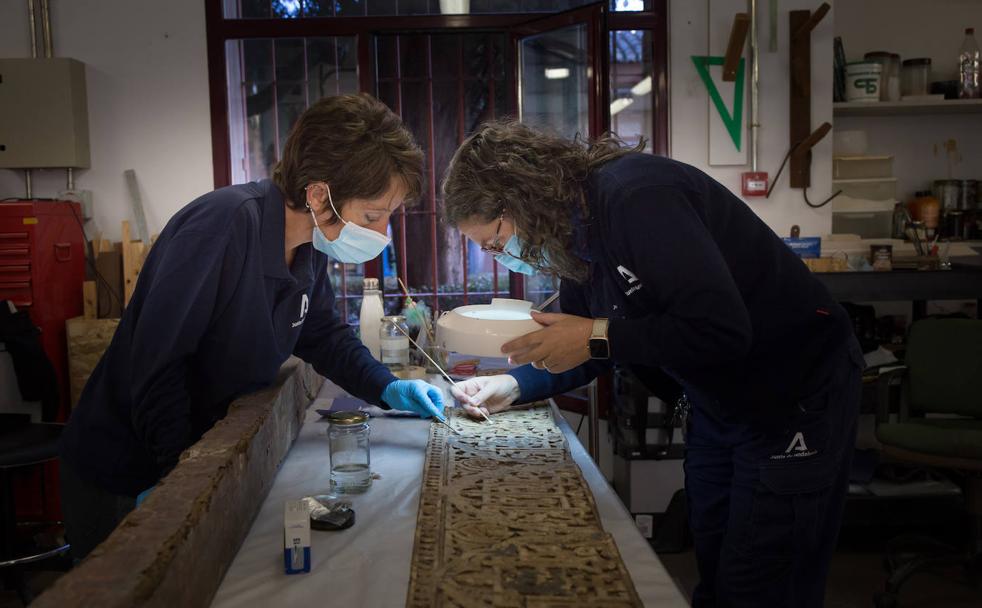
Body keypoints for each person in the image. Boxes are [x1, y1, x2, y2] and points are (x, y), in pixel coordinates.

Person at [443, 120, 863, 608]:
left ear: (522, 197)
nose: (498, 257)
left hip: (793, 390)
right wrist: (512, 385)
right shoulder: (570, 236)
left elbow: (719, 329)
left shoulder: (638, 198)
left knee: (761, 580)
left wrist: (596, 335)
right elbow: (587, 343)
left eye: (495, 242)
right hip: (719, 402)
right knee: (716, 565)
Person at [60, 94, 450, 559]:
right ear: (318, 195)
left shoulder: (308, 247)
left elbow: (323, 335)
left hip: (202, 452)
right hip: (127, 467)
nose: (381, 232)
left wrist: (387, 387)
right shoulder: (221, 227)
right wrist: (179, 481)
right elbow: (158, 365)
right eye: (372, 215)